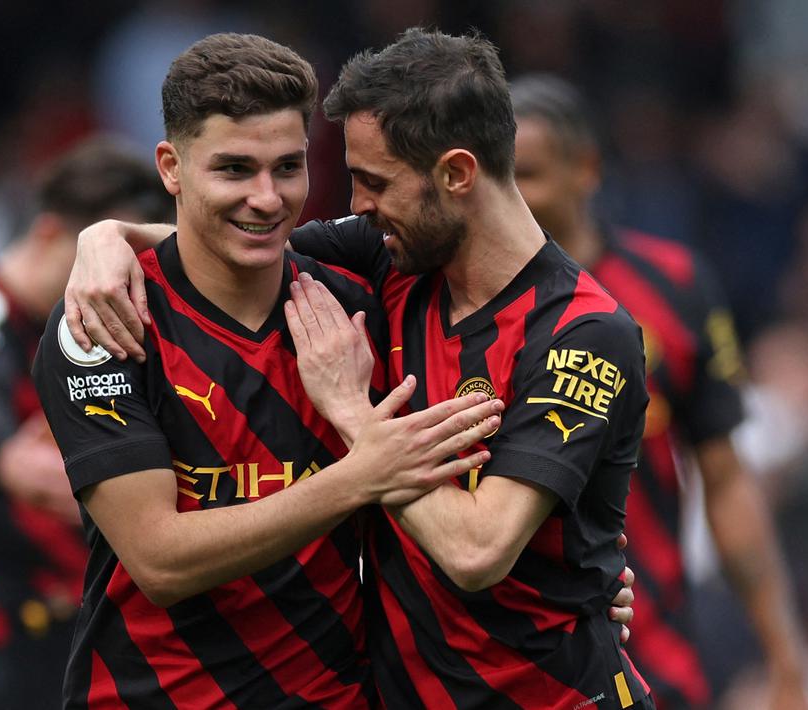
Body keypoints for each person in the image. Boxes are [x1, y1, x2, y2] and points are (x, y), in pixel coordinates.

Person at [66, 28, 653, 710]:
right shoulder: (387, 261)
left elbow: (475, 551)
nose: (357, 205)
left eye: (375, 182)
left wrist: (351, 415)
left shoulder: (582, 332)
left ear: (456, 174)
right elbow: (231, 241)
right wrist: (106, 238)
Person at [506, 75, 808, 709]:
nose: (509, 196)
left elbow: (725, 478)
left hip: (652, 655)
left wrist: (784, 654)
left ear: (585, 169)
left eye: (526, 173)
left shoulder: (674, 284)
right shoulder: (464, 305)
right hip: (509, 663)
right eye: (496, 176)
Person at [0, 139, 171, 710]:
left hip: (82, 642)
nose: (110, 283)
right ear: (50, 234)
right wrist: (9, 456)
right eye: (99, 262)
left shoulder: (86, 333)